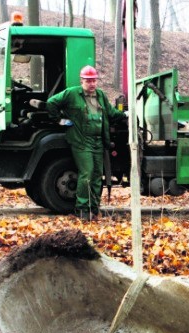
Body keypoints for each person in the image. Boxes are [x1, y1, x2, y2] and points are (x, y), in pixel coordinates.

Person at [32, 65, 127, 220]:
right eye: (88, 81)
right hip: (81, 141)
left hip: (98, 141)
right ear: (82, 81)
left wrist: (124, 115)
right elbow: (51, 103)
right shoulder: (72, 93)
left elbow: (110, 113)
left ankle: (94, 209)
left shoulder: (101, 95)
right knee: (87, 173)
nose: (92, 84)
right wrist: (61, 121)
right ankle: (82, 209)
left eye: (94, 80)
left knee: (97, 175)